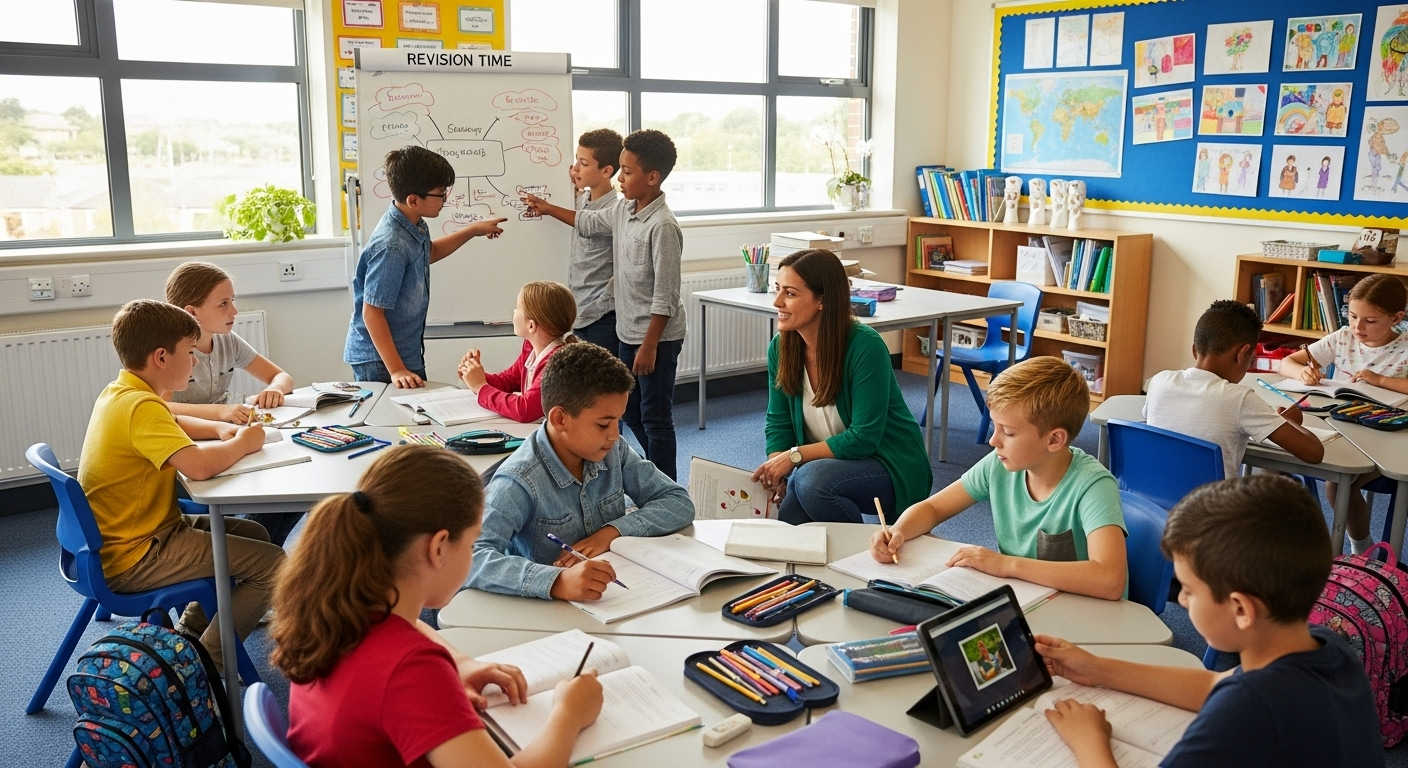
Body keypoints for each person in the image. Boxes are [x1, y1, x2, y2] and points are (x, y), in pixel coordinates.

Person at [275, 444, 603, 768]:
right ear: (438, 548)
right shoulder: (412, 669)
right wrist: (569, 714)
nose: (473, 553)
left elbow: (412, 629)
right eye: (473, 542)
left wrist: (460, 663)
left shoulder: (342, 604)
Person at [1038, 475, 1382, 768]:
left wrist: (1089, 741)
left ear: (1241, 610)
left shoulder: (1247, 708)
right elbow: (1214, 686)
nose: (1183, 600)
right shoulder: (1326, 647)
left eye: (1188, 589)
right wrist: (1096, 668)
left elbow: (1232, 699)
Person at [80, 299, 285, 669]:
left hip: (134, 535)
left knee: (255, 533)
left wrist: (221, 428)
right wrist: (243, 442)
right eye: (189, 353)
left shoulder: (122, 394)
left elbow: (174, 426)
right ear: (161, 358)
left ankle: (193, 629)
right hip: (136, 555)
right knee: (273, 564)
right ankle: (207, 663)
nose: (194, 362)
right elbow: (199, 467)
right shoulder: (142, 407)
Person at [871, 356, 1126, 600]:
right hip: (1028, 598)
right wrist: (897, 532)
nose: (993, 441)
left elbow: (1110, 580)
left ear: (1054, 439)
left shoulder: (1093, 486)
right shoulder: (999, 464)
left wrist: (1007, 564)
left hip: (1082, 612)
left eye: (1009, 432)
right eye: (995, 426)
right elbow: (934, 508)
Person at [466, 342, 693, 601]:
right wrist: (556, 581)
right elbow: (470, 558)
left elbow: (677, 502)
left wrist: (611, 533)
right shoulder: (520, 480)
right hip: (543, 615)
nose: (615, 435)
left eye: (618, 421)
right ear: (560, 419)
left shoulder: (613, 451)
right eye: (603, 424)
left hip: (613, 599)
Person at [521, 129, 686, 479]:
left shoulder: (663, 226)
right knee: (630, 411)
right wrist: (551, 206)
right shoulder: (624, 210)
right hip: (627, 332)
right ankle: (650, 477)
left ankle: (667, 487)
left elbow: (666, 294)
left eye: (627, 172)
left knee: (655, 416)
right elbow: (588, 221)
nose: (620, 179)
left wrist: (650, 345)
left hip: (656, 338)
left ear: (652, 177)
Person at [750, 249, 931, 526]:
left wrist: (794, 457)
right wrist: (780, 471)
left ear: (822, 300)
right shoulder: (781, 347)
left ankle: (865, 555)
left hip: (888, 464)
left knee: (812, 481)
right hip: (823, 466)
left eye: (790, 293)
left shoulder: (864, 346)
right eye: (778, 289)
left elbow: (864, 438)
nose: (777, 302)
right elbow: (778, 423)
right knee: (787, 525)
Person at [344, 146, 507, 389]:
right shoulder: (392, 245)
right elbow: (372, 313)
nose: (445, 200)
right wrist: (397, 369)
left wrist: (474, 230)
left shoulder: (412, 222)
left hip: (404, 351)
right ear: (414, 200)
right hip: (380, 360)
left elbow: (428, 252)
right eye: (440, 194)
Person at [1280, 274, 1408, 553]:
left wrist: (1380, 380)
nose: (1358, 327)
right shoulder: (1343, 338)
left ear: (1396, 318)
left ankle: (1361, 549)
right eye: (1352, 316)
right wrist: (1302, 372)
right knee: (1325, 477)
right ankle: (1357, 547)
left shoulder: (1405, 347)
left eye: (1370, 321)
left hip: (1388, 436)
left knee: (1339, 485)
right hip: (1342, 427)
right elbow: (1286, 362)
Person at [1145, 300, 1324, 479]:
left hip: (1149, 502)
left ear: (1194, 350)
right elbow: (1314, 453)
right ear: (1242, 353)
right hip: (1211, 505)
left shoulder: (1158, 381)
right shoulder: (1240, 399)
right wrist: (1282, 421)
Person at [163, 261, 295, 422]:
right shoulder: (170, 350)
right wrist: (219, 412)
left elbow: (281, 376)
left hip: (223, 424)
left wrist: (275, 389)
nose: (234, 311)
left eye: (232, 300)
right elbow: (161, 406)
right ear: (192, 312)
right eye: (223, 304)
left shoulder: (228, 340)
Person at [458, 281, 578, 423]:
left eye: (517, 308)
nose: (513, 312)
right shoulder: (531, 348)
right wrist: (474, 375)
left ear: (531, 325)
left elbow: (525, 410)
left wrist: (480, 386)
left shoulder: (558, 362)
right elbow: (509, 381)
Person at [566, 129, 624, 353]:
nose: (575, 169)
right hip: (577, 312)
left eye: (583, 163)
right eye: (575, 161)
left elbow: (587, 222)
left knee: (601, 384)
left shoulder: (615, 209)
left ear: (606, 171)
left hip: (601, 315)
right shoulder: (582, 200)